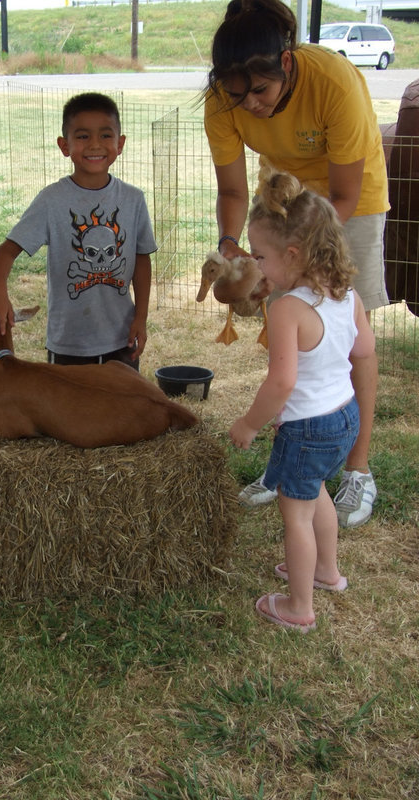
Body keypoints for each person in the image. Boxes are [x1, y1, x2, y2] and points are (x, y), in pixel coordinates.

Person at [204, 0, 389, 527]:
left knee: (349, 337)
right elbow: (232, 191)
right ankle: (290, 460)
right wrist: (233, 247)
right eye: (238, 96)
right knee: (290, 339)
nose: (250, 105)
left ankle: (357, 469)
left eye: (260, 91)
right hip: (281, 202)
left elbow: (343, 195)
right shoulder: (222, 99)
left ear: (286, 64)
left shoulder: (334, 82)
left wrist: (300, 261)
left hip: (348, 203)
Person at [229, 170, 375, 632]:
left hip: (307, 429)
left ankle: (298, 606)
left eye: (260, 256)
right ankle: (326, 571)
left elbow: (281, 383)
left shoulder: (288, 309)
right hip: (345, 416)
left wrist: (250, 424)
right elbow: (364, 349)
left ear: (292, 254)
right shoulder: (346, 295)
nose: (256, 265)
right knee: (317, 494)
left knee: (296, 514)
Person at [0, 92, 156, 370]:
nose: (95, 144)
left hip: (121, 339)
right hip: (68, 344)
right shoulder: (52, 200)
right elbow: (6, 251)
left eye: (105, 135)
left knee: (121, 400)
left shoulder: (133, 200)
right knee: (68, 401)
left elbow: (142, 259)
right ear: (65, 145)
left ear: (120, 143)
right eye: (83, 136)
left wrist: (141, 317)